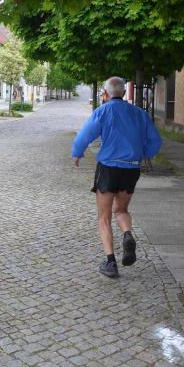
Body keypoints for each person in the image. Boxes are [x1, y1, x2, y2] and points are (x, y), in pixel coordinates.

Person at [72, 77, 162, 277]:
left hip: (108, 168)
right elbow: (156, 141)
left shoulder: (103, 111)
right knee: (121, 209)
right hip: (131, 168)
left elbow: (85, 135)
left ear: (105, 93)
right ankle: (127, 234)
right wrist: (142, 153)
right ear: (124, 92)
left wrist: (77, 153)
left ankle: (110, 262)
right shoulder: (140, 113)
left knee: (104, 216)